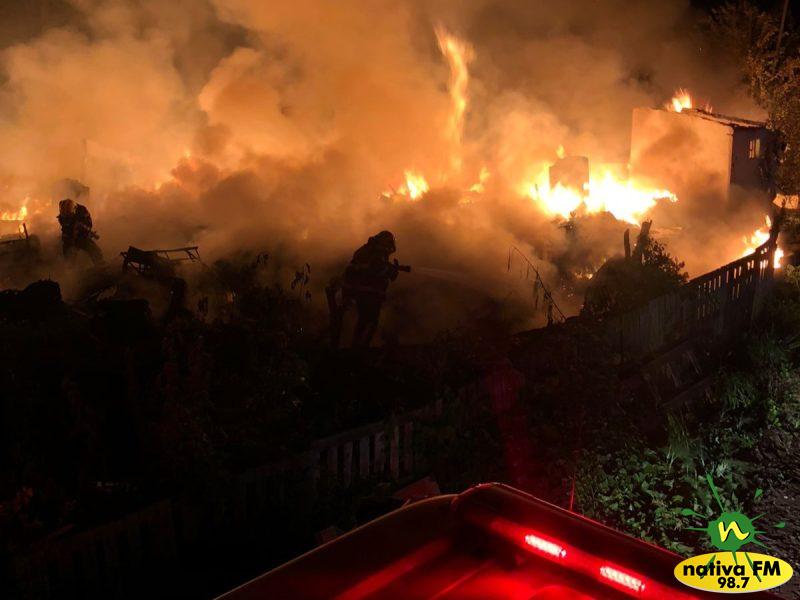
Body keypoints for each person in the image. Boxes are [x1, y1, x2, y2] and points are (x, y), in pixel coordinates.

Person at [328, 231, 405, 348]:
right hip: (367, 294)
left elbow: (374, 269)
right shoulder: (375, 253)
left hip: (363, 293)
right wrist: (390, 270)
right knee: (369, 322)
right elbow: (378, 270)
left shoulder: (368, 251)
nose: (388, 250)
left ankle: (359, 347)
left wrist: (390, 270)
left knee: (366, 322)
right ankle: (359, 349)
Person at [57, 199, 103, 265]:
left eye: (69, 214)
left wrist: (81, 230)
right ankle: (69, 267)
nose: (67, 216)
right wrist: (70, 239)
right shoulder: (62, 216)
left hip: (82, 233)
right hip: (69, 235)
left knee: (91, 247)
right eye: (65, 215)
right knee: (68, 251)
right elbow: (65, 230)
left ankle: (100, 264)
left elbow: (89, 224)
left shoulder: (82, 211)